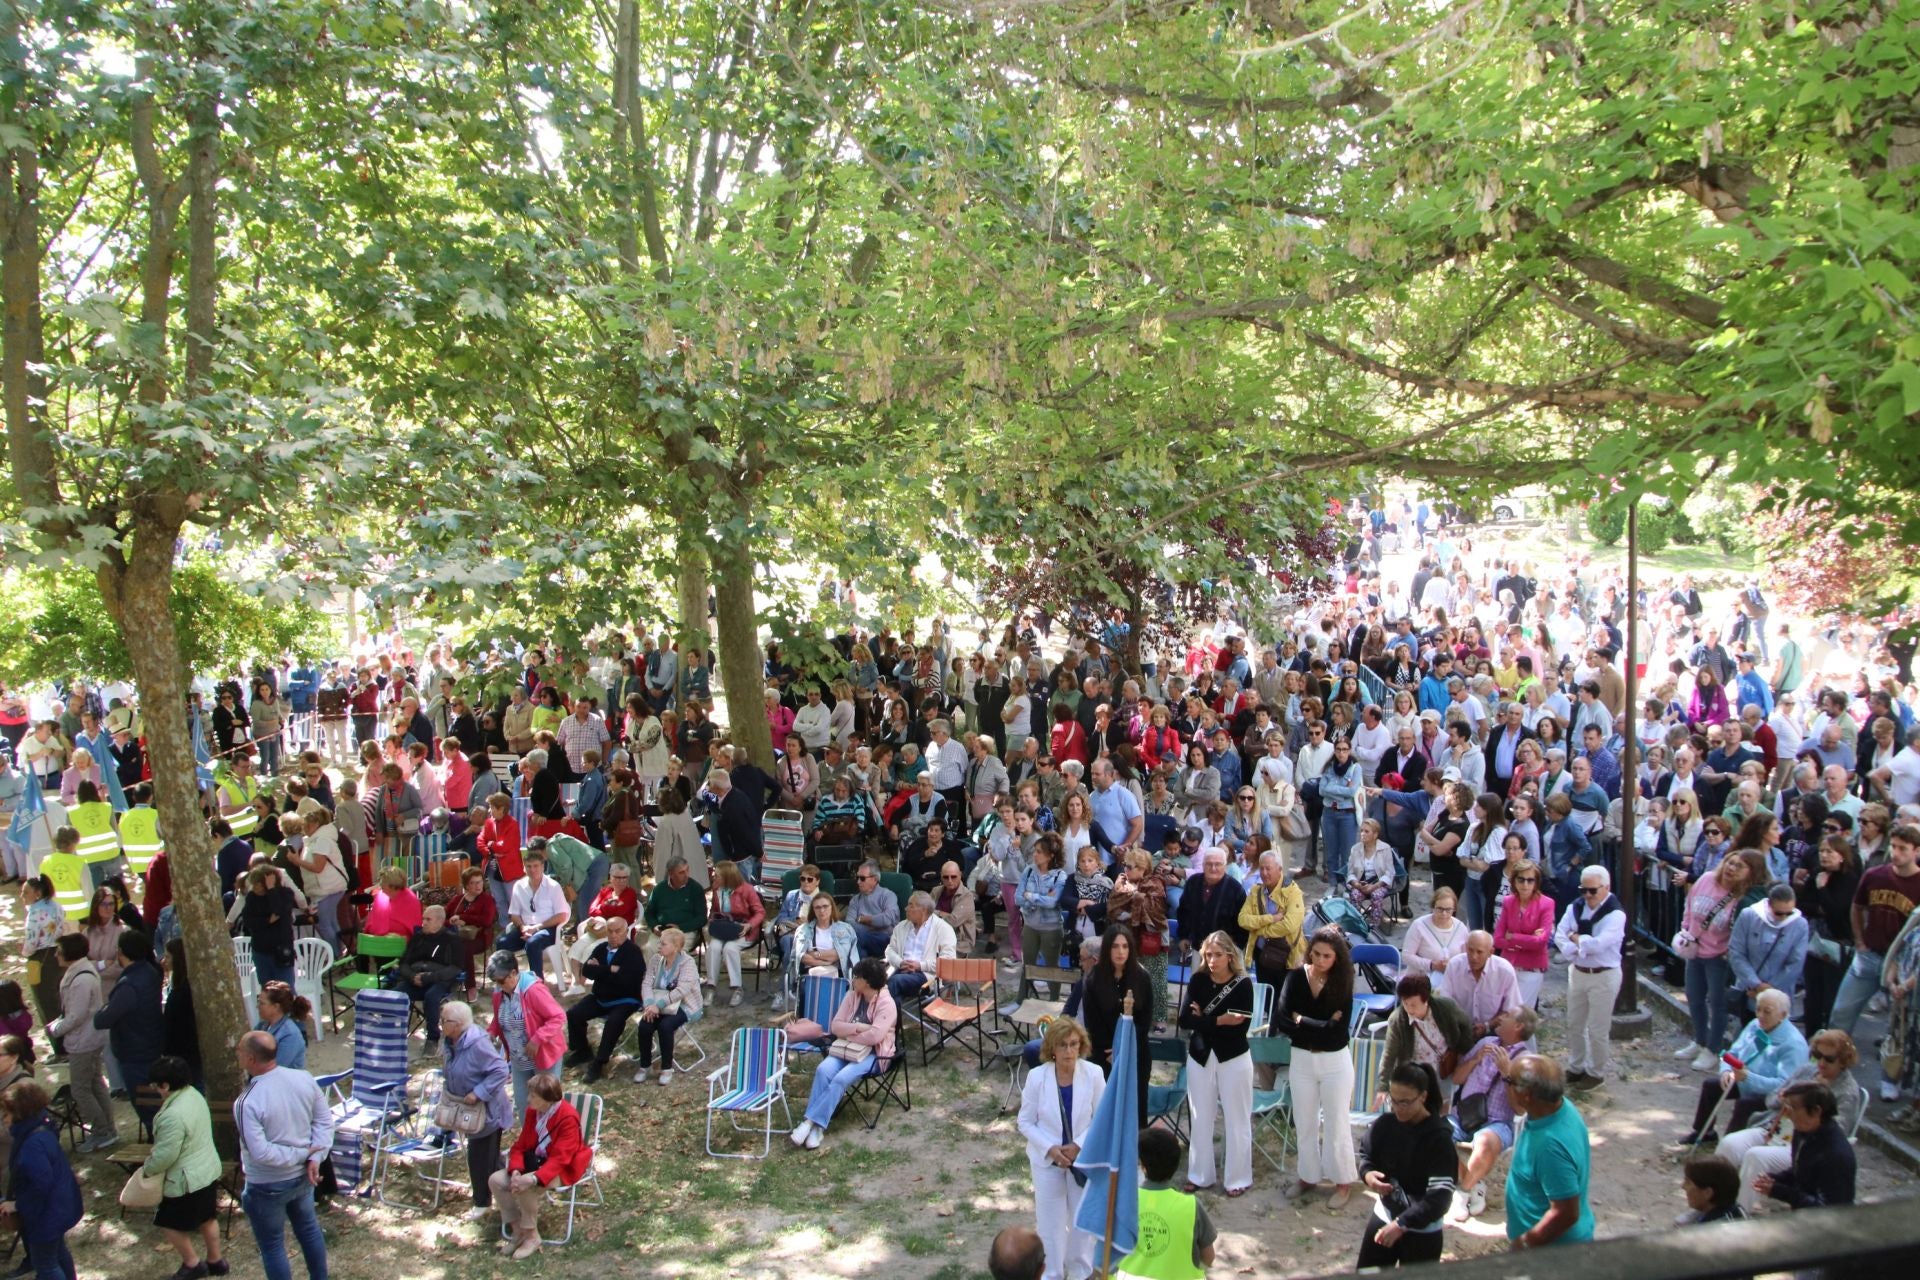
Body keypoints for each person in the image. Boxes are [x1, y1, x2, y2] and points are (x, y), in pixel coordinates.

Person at [1716, 1029, 1859, 1212]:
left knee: (1755, 1156)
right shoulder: (1807, 1070)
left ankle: (1737, 1213)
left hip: (1803, 1144)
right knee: (1729, 1143)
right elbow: (1771, 1099)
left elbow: (1838, 1130)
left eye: (1829, 1059)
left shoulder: (1847, 1091)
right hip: (1773, 1129)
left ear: (1843, 1062)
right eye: (1817, 1056)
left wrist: (1812, 1102)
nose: (1821, 1063)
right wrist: (1783, 1100)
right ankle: (1711, 1204)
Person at [234, 1030, 331, 1280]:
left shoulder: (247, 1101)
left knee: (272, 1245)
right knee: (308, 1230)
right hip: (302, 1176)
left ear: (251, 1059)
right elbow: (324, 1122)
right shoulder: (303, 1079)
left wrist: (310, 1156)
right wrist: (312, 1158)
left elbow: (261, 1152)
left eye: (240, 1051)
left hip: (267, 1184)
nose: (237, 1055)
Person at [1016, 1019, 1106, 1280]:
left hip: (1082, 1160)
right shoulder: (1037, 1077)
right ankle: (1052, 1273)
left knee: (1081, 1221)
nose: (1069, 1051)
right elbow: (1025, 1121)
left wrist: (1079, 1145)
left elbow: (1102, 1118)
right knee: (1050, 1224)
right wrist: (1051, 1149)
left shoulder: (1094, 1074)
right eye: (1063, 1045)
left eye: (1074, 1045)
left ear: (1081, 1046)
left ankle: (1080, 1272)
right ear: (1052, 1049)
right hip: (1047, 1161)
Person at [1277, 926, 1357, 1207]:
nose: (1321, 960)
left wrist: (1303, 1021)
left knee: (1336, 1122)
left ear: (1337, 958)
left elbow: (1338, 1030)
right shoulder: (1295, 978)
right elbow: (1283, 1020)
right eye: (1317, 954)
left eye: (1327, 956)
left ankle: (1343, 1180)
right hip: (1301, 1059)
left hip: (1335, 1060)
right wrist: (1319, 1024)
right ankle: (1308, 1175)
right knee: (1305, 1120)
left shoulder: (1343, 980)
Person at [1676, 989, 1809, 1144]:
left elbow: (1784, 1086)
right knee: (1710, 1086)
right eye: (1758, 1009)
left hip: (1771, 1095)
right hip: (1742, 1078)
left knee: (1744, 1105)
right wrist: (1726, 1069)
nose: (1760, 1015)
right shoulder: (1755, 1025)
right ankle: (1705, 1132)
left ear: (1783, 1015)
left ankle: (1729, 1146)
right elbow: (1733, 1052)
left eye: (1767, 1012)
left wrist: (1749, 1077)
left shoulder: (1793, 1045)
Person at [790, 956, 896, 1150]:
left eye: (856, 977)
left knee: (840, 1079)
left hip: (875, 1054)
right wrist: (859, 1029)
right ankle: (816, 1129)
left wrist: (850, 1033)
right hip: (846, 1048)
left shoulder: (886, 1004)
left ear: (867, 981)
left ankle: (809, 1123)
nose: (853, 980)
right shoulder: (851, 995)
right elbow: (835, 1026)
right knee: (823, 1069)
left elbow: (875, 1037)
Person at [1357, 1063, 1456, 1267]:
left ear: (1422, 1097)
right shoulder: (1385, 1124)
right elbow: (1365, 1154)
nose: (1397, 1108)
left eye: (1405, 1102)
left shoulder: (1438, 1139)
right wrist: (1367, 1174)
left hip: (1422, 1228)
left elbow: (1440, 1197)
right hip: (1385, 1214)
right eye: (1393, 1100)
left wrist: (1402, 1224)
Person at [1180, 930, 1255, 1197]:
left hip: (1233, 1057)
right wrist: (1219, 1020)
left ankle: (1238, 1177)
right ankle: (1199, 1175)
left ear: (1230, 956)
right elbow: (1185, 1021)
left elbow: (1238, 1027)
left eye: (1218, 955)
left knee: (1237, 1118)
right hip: (1200, 1056)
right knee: (1201, 1117)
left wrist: (1205, 1020)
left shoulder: (1243, 984)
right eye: (1208, 955)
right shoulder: (1198, 980)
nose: (1212, 960)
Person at [1447, 1006, 1539, 1220]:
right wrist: (1475, 1060)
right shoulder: (1484, 1044)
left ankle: (1462, 1191)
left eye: (1506, 1016)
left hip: (1498, 1123)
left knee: (1485, 1142)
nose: (1500, 1019)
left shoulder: (1526, 1060)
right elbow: (1456, 1079)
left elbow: (1520, 1109)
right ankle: (1474, 1184)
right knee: (1435, 1133)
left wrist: (1507, 1073)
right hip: (1464, 1115)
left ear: (1518, 1026)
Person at [140, 1055, 227, 1280]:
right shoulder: (194, 1095)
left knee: (167, 1222)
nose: (155, 1089)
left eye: (156, 1085)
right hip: (207, 1170)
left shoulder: (172, 1115)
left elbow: (166, 1155)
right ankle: (216, 1261)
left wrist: (147, 1169)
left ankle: (192, 1263)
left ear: (165, 1085)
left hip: (186, 1179)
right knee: (208, 1218)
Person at [491, 1073, 591, 1261]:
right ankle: (518, 1230)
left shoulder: (568, 1117)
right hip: (534, 1163)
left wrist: (533, 1178)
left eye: (533, 1096)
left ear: (548, 1099)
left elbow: (562, 1158)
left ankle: (532, 1236)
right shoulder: (533, 1112)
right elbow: (521, 1145)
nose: (528, 1099)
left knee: (526, 1187)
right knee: (495, 1180)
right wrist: (516, 1171)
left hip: (562, 1168)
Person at [1503, 1054, 1594, 1249]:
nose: (1505, 1085)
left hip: (1552, 1253)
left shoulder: (1549, 1146)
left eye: (1508, 1080)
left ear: (1526, 1095)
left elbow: (1566, 1213)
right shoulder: (1561, 1108)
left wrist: (1525, 1243)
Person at [1674, 853, 1754, 1070]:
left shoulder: (1741, 897)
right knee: (1694, 997)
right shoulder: (1706, 879)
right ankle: (1699, 1040)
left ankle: (1713, 1049)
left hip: (1718, 957)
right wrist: (1686, 929)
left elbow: (1738, 928)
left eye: (1739, 866)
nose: (1731, 868)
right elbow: (1689, 904)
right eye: (1730, 862)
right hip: (1694, 950)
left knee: (1718, 1004)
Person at [0, 1079, 83, 1280]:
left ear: (19, 1113)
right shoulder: (43, 1128)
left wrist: (17, 1204)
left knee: (45, 1264)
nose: (4, 1119)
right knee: (58, 1253)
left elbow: (39, 1184)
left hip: (45, 1215)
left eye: (7, 1113)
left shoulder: (31, 1145)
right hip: (60, 1206)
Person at [438, 1001, 513, 1223]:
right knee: (489, 1159)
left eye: (444, 1021)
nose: (440, 1024)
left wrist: (479, 1092)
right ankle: (514, 1183)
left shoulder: (477, 1044)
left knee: (479, 1159)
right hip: (466, 1112)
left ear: (458, 1024)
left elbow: (500, 1070)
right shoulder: (450, 1042)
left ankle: (482, 1204)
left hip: (488, 1113)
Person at [1553, 866, 1626, 1090]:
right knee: (1574, 1023)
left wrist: (1575, 938)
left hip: (1603, 975)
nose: (1587, 895)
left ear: (1606, 888)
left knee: (1597, 1028)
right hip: (1578, 971)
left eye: (1592, 890)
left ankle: (1596, 1072)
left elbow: (1598, 945)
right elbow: (1559, 934)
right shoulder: (1574, 907)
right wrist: (1575, 946)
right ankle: (1576, 1066)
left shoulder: (1616, 914)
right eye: (1583, 890)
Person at [47, 934, 115, 1153]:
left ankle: (101, 1131)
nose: (56, 954)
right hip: (87, 1038)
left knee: (81, 1090)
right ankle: (108, 1129)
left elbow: (76, 1015)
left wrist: (56, 1029)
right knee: (95, 1083)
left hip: (84, 1041)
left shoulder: (81, 979)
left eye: (59, 950)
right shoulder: (79, 972)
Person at [1082, 924, 1155, 1127]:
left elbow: (1144, 1021)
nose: (1120, 951)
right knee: (1104, 1111)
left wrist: (1123, 1048)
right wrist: (1111, 1050)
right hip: (1103, 1055)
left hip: (1135, 1053)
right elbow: (1092, 1023)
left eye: (1125, 946)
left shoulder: (1142, 977)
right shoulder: (1094, 979)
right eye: (1115, 946)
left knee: (1135, 1111)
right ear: (1107, 949)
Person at [563, 915, 645, 1084]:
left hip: (625, 999)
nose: (614, 935)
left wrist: (600, 969)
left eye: (618, 931)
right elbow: (586, 971)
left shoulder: (633, 952)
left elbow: (627, 979)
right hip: (600, 997)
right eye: (610, 931)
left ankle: (600, 1062)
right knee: (574, 1013)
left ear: (626, 932)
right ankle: (582, 1050)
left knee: (614, 1022)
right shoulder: (601, 948)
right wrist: (611, 969)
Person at [1376, 973, 1473, 1108]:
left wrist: (1462, 1051)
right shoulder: (1398, 1020)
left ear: (1426, 1000)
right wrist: (1383, 1086)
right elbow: (1389, 1054)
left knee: (1442, 1110)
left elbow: (1466, 1025)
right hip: (1414, 1076)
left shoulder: (1446, 1008)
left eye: (1414, 1005)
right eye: (1405, 1003)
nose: (1409, 1009)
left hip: (1443, 1072)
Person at [485, 951, 565, 1115]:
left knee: (545, 1104)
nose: (499, 985)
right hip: (518, 1058)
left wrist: (537, 1039)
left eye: (501, 980)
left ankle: (551, 1139)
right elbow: (499, 1017)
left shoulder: (534, 990)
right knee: (524, 1105)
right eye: (495, 982)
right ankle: (530, 1139)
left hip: (543, 1056)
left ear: (514, 973)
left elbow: (558, 1016)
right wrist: (491, 1032)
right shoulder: (498, 993)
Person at [1755, 1081, 1856, 1210]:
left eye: (1791, 1109)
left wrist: (1780, 1191)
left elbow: (1828, 1209)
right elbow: (1802, 1172)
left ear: (1816, 1111)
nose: (1786, 1114)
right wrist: (1776, 1180)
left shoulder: (1835, 1155)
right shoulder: (1803, 1132)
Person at [631, 926, 701, 1085]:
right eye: (660, 943)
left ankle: (667, 1068)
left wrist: (659, 1004)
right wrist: (649, 1003)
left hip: (685, 1005)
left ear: (676, 947)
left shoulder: (687, 963)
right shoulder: (656, 959)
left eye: (663, 944)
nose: (659, 946)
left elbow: (682, 990)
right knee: (645, 1025)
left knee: (665, 1026)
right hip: (658, 1003)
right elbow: (647, 982)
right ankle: (645, 1065)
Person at [390, 904, 464, 1049]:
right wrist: (412, 976)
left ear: (439, 921)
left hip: (439, 981)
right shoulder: (418, 937)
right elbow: (404, 963)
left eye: (428, 919)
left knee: (431, 997)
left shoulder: (452, 940)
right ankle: (394, 1034)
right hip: (415, 979)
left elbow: (455, 968)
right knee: (396, 994)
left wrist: (429, 977)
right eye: (423, 919)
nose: (423, 922)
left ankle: (432, 1039)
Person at [1436, 931, 1522, 1039]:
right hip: (1459, 1028)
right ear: (1466, 948)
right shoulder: (1454, 965)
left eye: (1479, 952)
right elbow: (1445, 1003)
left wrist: (1487, 1026)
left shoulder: (1504, 971)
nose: (1474, 957)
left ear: (1491, 952)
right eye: (1470, 950)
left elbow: (1511, 1010)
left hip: (1494, 1031)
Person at [502, 848, 570, 982]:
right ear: (524, 867)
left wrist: (537, 927)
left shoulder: (553, 886)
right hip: (525, 927)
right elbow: (514, 913)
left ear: (542, 866)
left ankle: (537, 984)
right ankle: (511, 980)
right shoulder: (519, 886)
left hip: (548, 928)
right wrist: (522, 927)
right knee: (502, 942)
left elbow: (562, 915)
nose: (532, 870)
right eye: (528, 866)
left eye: (536, 866)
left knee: (533, 943)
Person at [884, 890, 958, 1005]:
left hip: (926, 976)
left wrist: (920, 965)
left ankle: (882, 1021)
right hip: (900, 969)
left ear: (923, 909)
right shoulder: (901, 926)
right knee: (878, 981)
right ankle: (892, 1022)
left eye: (910, 905)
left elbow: (948, 961)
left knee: (893, 983)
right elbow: (890, 950)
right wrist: (900, 962)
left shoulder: (943, 929)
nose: (906, 908)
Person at [1402, 886, 1468, 977]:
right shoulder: (1419, 925)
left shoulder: (1461, 928)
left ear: (1454, 909)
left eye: (1448, 910)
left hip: (1451, 978)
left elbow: (1466, 957)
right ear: (1433, 907)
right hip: (1421, 979)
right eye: (1440, 909)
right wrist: (1431, 965)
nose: (1444, 913)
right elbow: (1406, 956)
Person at [846, 860, 903, 961]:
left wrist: (863, 919)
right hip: (861, 937)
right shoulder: (855, 900)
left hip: (885, 940)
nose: (858, 881)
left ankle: (860, 969)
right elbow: (849, 924)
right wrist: (874, 924)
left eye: (862, 878)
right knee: (854, 936)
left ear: (874, 879)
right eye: (857, 877)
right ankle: (863, 966)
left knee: (856, 936)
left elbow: (887, 919)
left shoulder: (887, 895)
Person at [643, 855, 707, 938]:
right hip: (662, 932)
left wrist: (680, 928)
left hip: (685, 932)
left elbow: (702, 918)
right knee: (649, 949)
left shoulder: (695, 888)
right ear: (671, 873)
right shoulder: (659, 889)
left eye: (687, 870)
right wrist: (654, 926)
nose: (686, 875)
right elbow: (649, 913)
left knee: (673, 949)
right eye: (681, 872)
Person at [254, 983, 312, 1072]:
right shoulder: (262, 1026)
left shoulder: (290, 1035)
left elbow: (273, 1070)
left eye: (262, 1003)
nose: (257, 1006)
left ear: (276, 1007)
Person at [1676, 1155, 1746, 1225]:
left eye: (1688, 1182)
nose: (1683, 1186)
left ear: (1707, 1193)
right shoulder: (1735, 1209)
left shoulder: (1707, 1231)